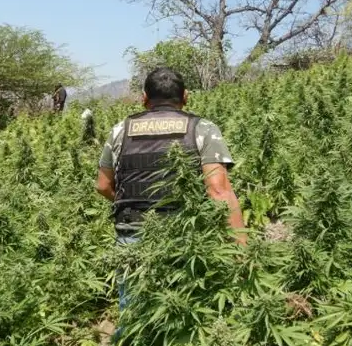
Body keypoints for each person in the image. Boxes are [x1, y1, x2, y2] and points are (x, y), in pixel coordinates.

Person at [95, 67, 246, 330]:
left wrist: (134, 204)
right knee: (185, 313)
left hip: (132, 232)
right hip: (186, 235)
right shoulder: (203, 129)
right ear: (186, 96)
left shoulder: (121, 130)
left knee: (133, 316)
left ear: (144, 98)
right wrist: (240, 247)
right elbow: (218, 191)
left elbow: (103, 185)